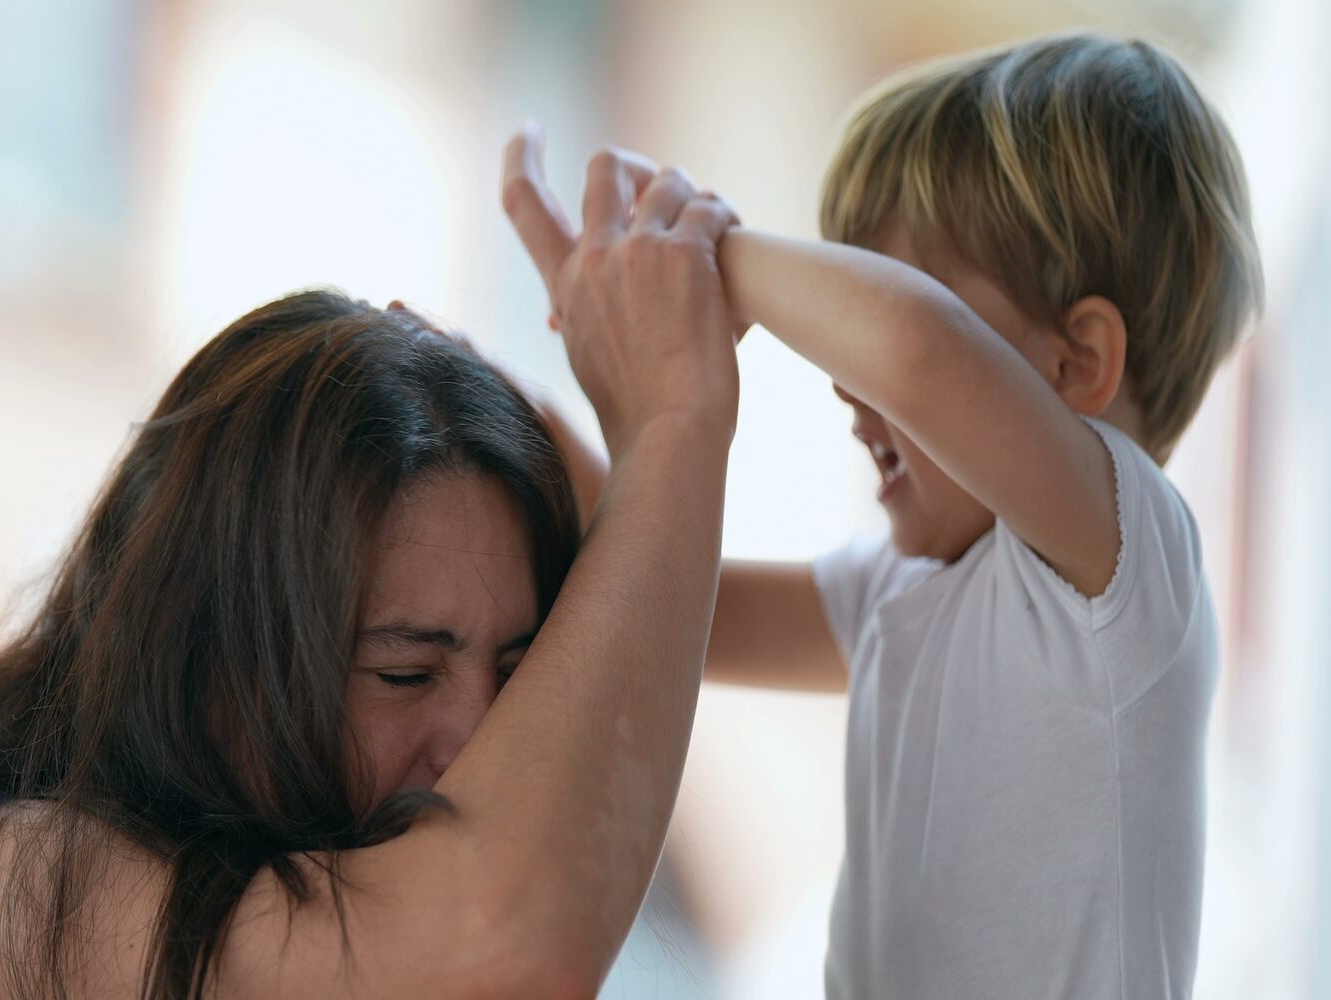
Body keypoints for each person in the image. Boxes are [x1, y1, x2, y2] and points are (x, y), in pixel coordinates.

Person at [0, 159, 741, 998]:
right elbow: (498, 956)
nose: (479, 737)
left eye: (519, 674)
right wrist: (671, 426)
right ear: (206, 650)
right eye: (406, 675)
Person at [503, 31, 1262, 998]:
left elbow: (915, 353)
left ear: (1078, 364)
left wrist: (701, 262)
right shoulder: (900, 591)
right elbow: (674, 597)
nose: (841, 381)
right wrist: (529, 410)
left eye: (879, 294)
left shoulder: (1126, 564)